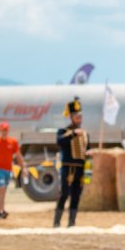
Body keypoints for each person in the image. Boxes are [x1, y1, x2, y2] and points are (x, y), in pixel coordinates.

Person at [54, 97, 88, 228]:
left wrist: (89, 152)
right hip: (68, 167)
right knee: (64, 193)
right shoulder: (64, 131)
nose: (79, 118)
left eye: (80, 116)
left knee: (76, 195)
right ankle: (57, 222)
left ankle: (71, 222)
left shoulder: (84, 133)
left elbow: (87, 147)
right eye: (77, 116)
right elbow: (59, 142)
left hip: (80, 168)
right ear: (72, 117)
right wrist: (73, 134)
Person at [0, 122, 25, 220]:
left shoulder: (13, 142)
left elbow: (19, 156)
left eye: (6, 130)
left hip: (8, 169)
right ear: (0, 131)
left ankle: (0, 210)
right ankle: (0, 211)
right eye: (3, 130)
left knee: (3, 190)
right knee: (2, 188)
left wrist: (23, 168)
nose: (4, 132)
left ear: (8, 131)